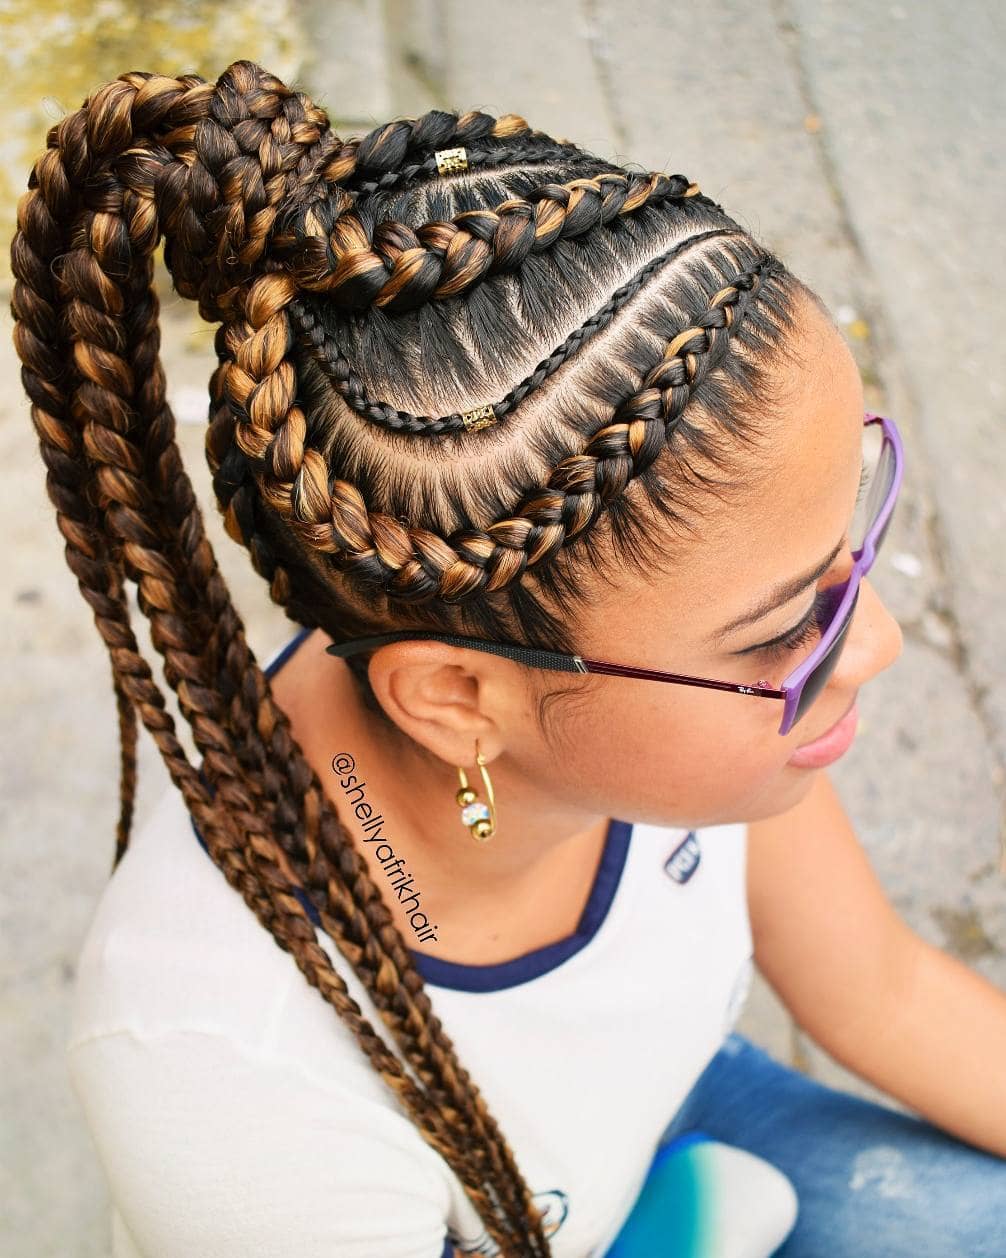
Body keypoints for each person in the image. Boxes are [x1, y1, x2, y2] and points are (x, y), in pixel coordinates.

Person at [10, 58, 1006, 1258]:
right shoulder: (234, 1088)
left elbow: (881, 989)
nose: (873, 640)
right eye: (789, 623)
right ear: (455, 696)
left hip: (664, 1106)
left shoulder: (693, 676)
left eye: (849, 536)